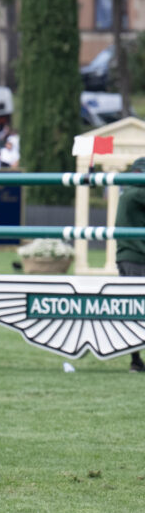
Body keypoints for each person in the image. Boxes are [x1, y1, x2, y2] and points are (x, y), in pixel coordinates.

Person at [115, 156, 145, 372]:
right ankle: (135, 360)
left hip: (127, 256)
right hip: (138, 256)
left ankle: (135, 359)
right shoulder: (137, 193)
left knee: (134, 309)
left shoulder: (129, 192)